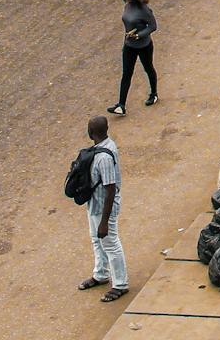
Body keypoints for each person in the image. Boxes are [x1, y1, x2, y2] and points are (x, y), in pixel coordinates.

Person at [78, 115, 127, 302]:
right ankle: (100, 274)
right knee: (96, 240)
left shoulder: (104, 157)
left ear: (90, 133)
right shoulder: (107, 146)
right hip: (95, 204)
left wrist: (105, 222)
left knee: (110, 243)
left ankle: (120, 284)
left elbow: (110, 188)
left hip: (103, 207)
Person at [108, 0, 159, 116]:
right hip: (129, 45)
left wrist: (139, 35)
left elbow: (153, 26)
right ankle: (121, 105)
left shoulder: (144, 9)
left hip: (144, 46)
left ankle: (154, 94)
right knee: (126, 74)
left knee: (148, 68)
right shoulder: (127, 6)